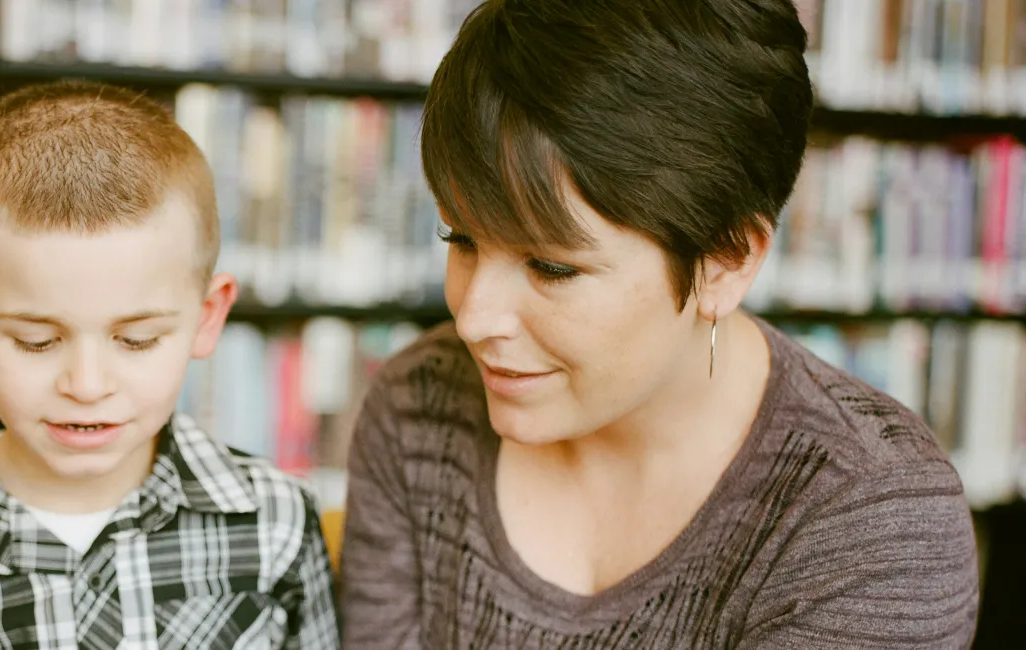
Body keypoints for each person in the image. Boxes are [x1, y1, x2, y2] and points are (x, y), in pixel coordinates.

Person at [340, 1, 980, 648]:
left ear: (725, 263)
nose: (473, 316)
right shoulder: (416, 409)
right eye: (461, 238)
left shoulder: (871, 515)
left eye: (550, 267)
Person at [0, 80, 339, 649]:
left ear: (207, 317)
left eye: (136, 339)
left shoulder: (278, 524)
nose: (87, 386)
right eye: (38, 341)